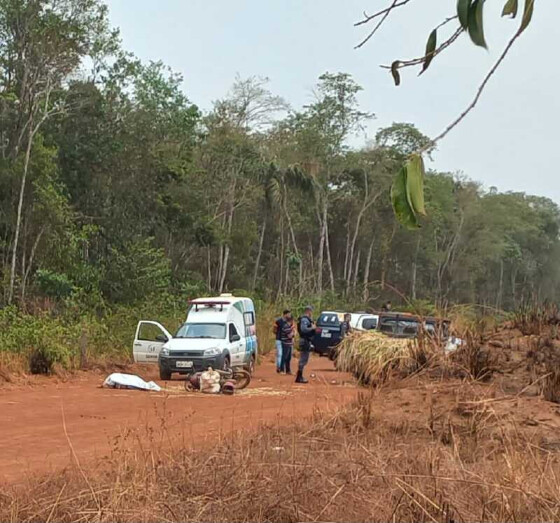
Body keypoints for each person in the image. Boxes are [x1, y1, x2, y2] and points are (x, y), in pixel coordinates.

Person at [296, 305, 315, 384]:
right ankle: (299, 376)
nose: (311, 313)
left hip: (306, 341)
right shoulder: (304, 319)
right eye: (311, 311)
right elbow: (304, 329)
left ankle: (299, 376)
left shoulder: (307, 320)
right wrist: (312, 328)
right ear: (308, 311)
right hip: (304, 341)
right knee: (303, 358)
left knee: (304, 359)